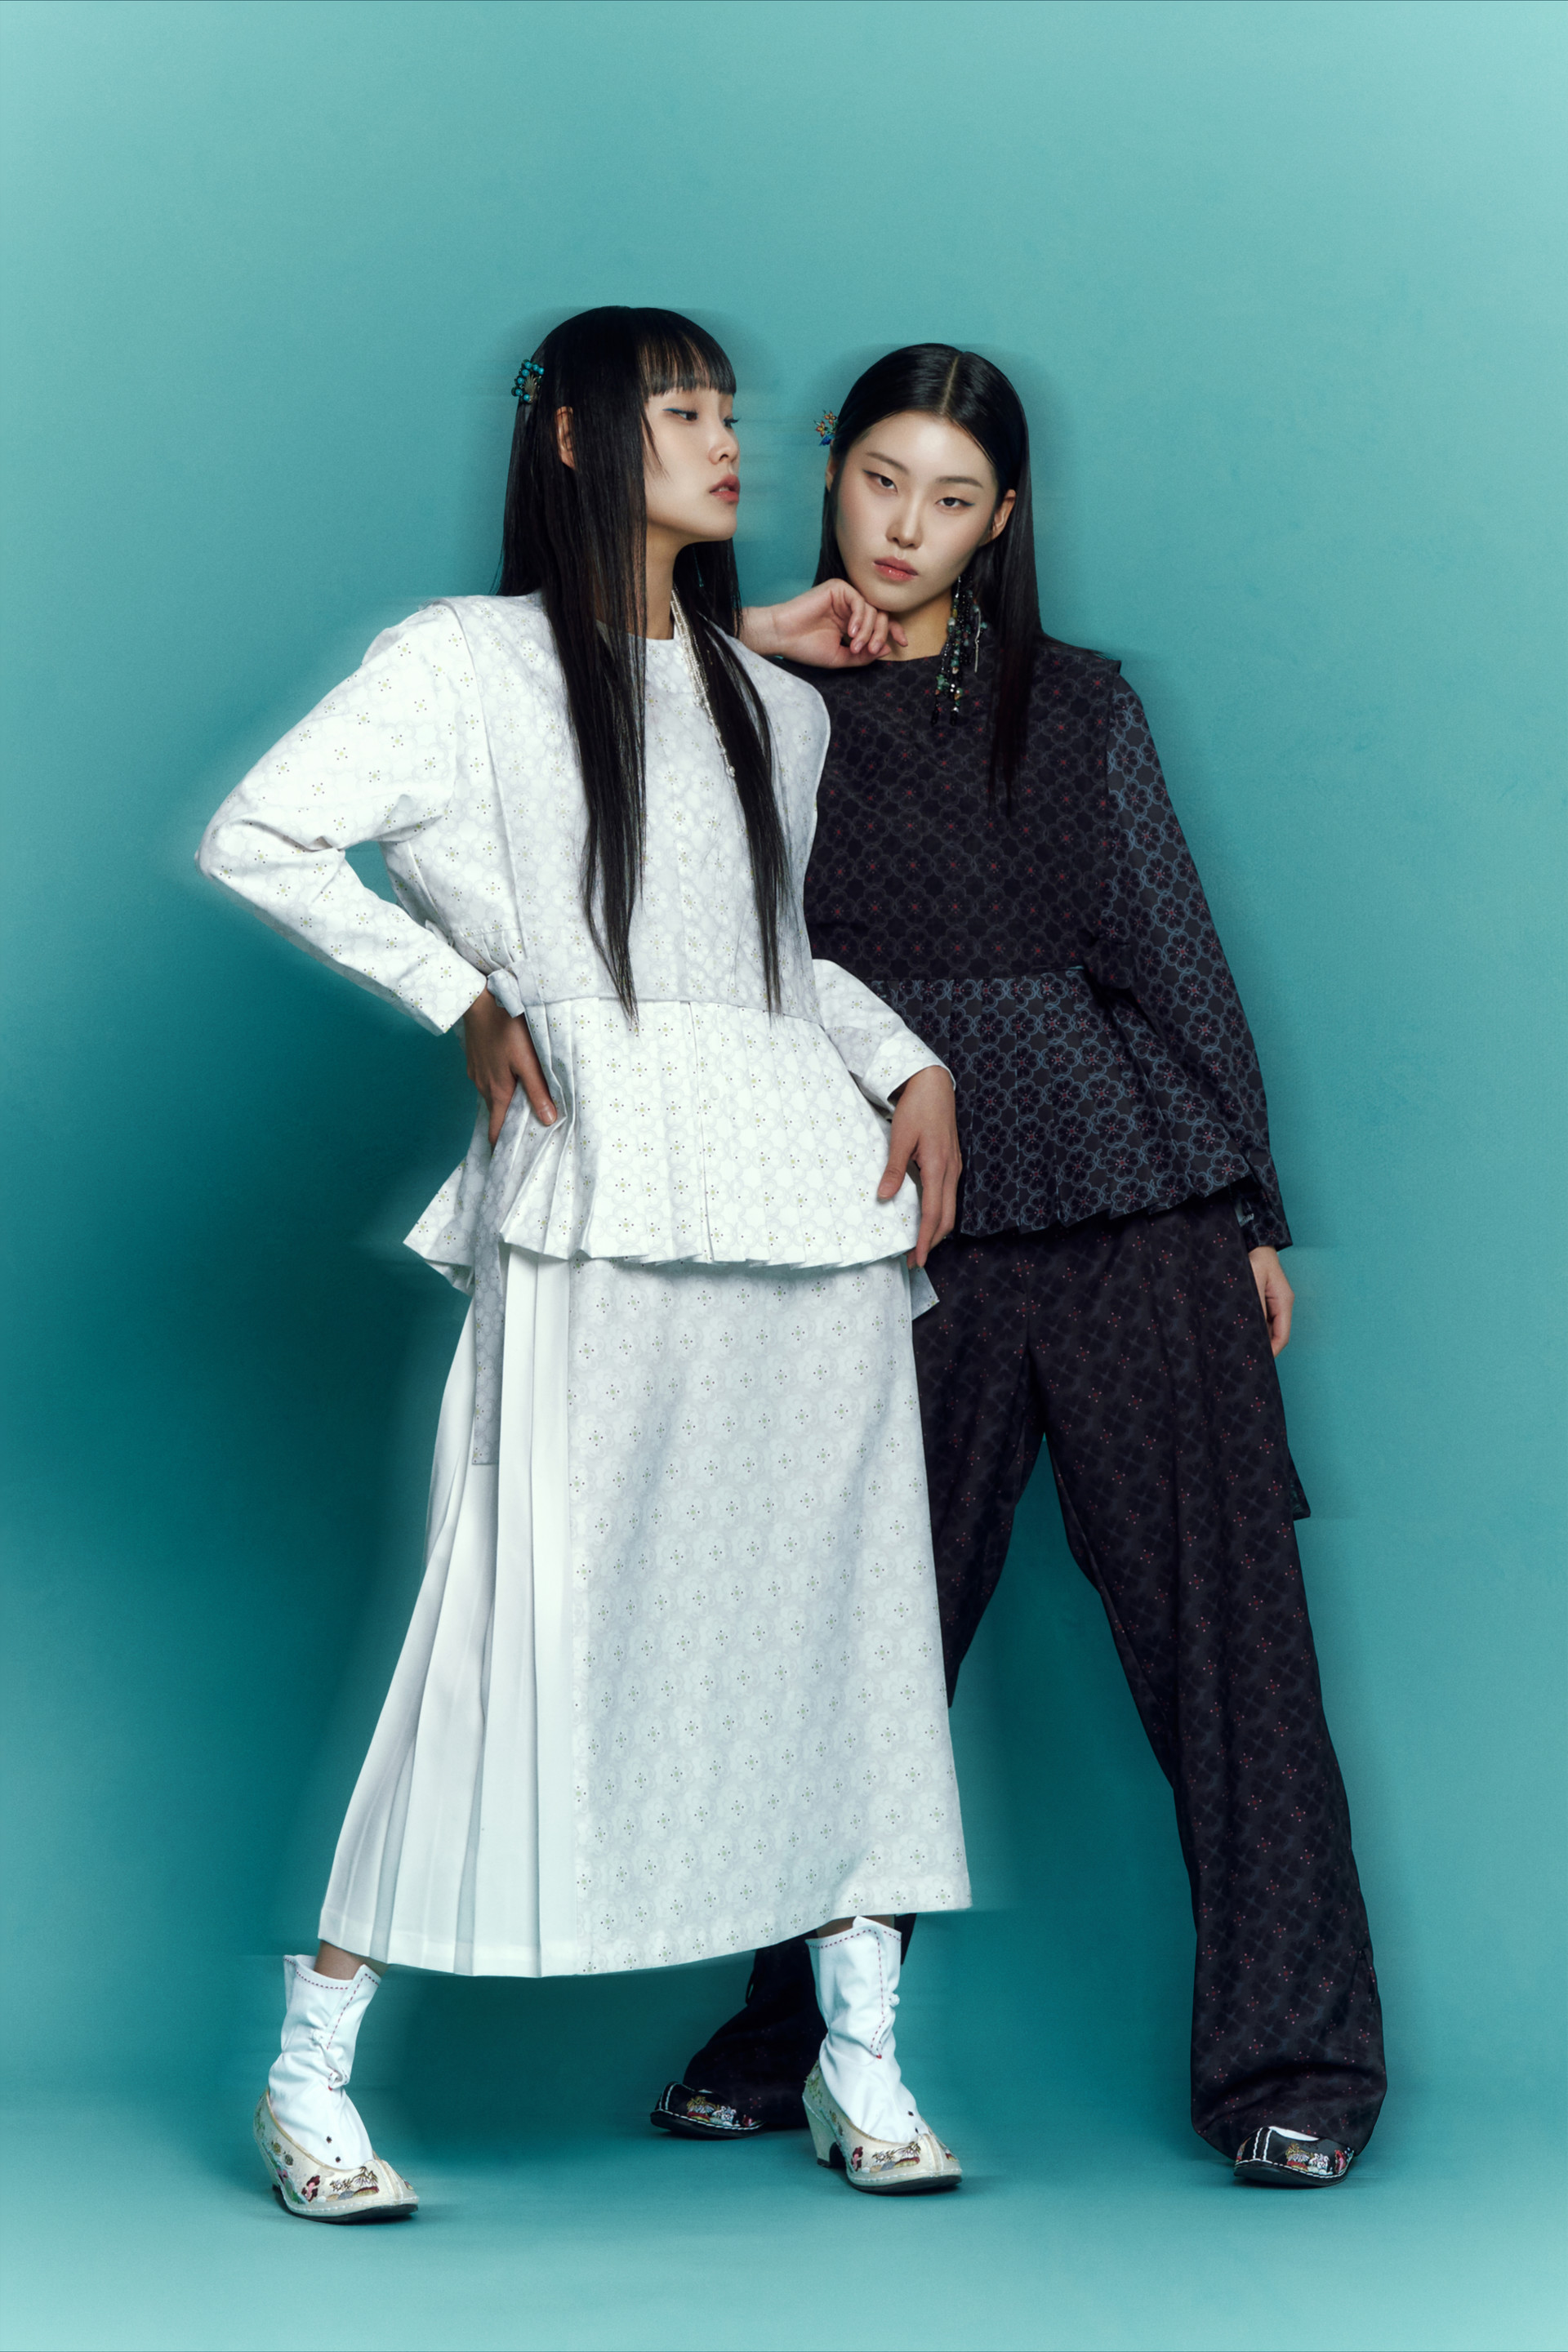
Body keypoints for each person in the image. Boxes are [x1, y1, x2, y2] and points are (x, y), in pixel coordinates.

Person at [198, 309, 973, 2219]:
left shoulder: (776, 706)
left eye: (729, 410)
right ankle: (310, 2076)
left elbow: (761, 962)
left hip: (807, 1205)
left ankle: (861, 2064)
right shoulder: (461, 664)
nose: (726, 439)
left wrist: (910, 1062)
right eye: (681, 408)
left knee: (843, 1626)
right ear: (571, 438)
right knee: (511, 1621)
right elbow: (261, 833)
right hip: (598, 1187)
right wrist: (458, 990)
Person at [657, 344, 1387, 2190]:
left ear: (1004, 522)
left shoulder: (1076, 704)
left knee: (1233, 1651)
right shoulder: (730, 695)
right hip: (893, 1213)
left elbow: (1169, 949)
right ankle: (786, 2040)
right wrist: (740, 642)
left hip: (1136, 1201)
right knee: (853, 1647)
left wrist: (1246, 1210)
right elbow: (590, 748)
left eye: (954, 498)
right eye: (881, 479)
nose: (907, 527)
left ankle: (1301, 2072)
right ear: (830, 473)